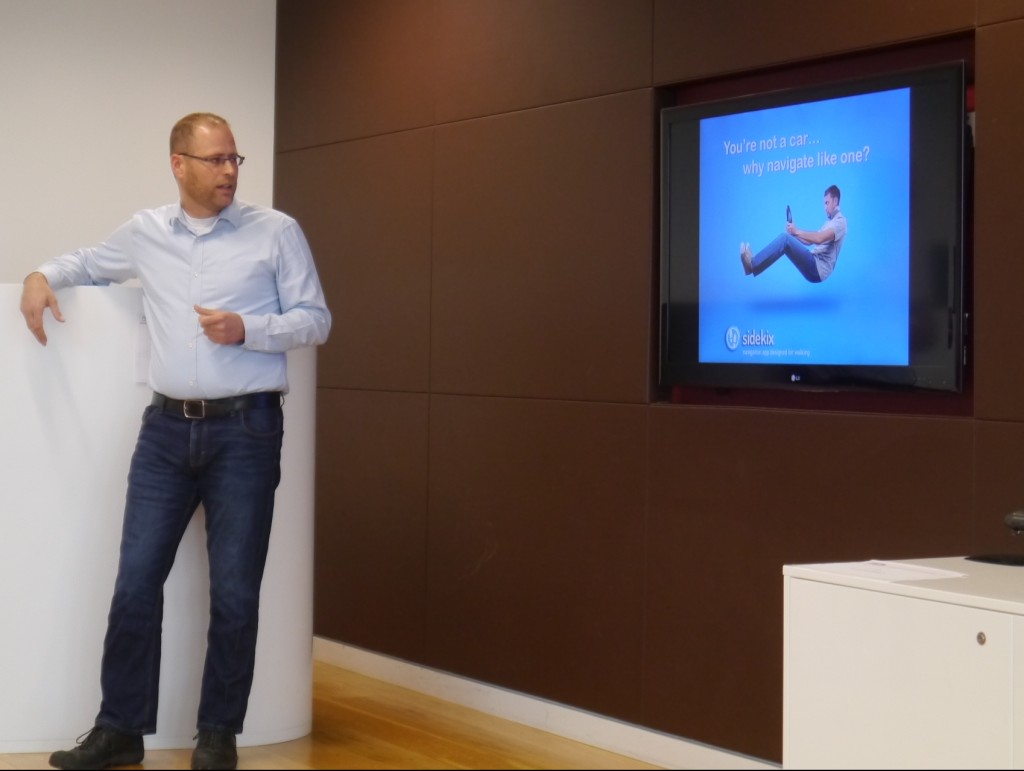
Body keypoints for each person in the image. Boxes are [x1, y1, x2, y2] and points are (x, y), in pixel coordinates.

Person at [20, 112, 332, 771]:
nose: (229, 172)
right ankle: (120, 729)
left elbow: (315, 318)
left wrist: (247, 328)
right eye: (216, 160)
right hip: (164, 432)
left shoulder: (276, 233)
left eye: (235, 160)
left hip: (247, 430)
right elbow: (85, 262)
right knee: (136, 582)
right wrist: (42, 274)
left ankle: (217, 733)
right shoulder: (145, 232)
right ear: (178, 163)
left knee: (235, 590)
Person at [740, 184, 847, 282]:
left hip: (817, 269)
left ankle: (752, 265)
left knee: (785, 239)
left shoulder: (840, 222)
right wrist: (794, 233)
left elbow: (818, 239)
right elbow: (809, 242)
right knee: (786, 239)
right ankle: (753, 264)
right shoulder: (829, 223)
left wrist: (796, 231)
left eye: (827, 203)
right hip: (813, 260)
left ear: (835, 200)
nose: (825, 207)